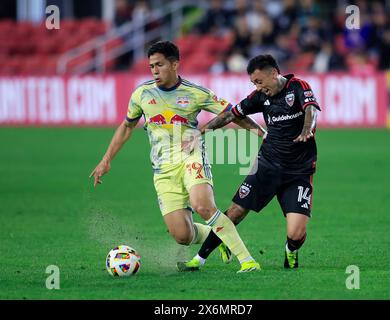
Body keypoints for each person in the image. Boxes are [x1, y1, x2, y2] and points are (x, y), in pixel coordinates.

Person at [89, 41, 265, 273]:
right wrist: (106, 159)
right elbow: (127, 126)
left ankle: (248, 262)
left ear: (174, 64)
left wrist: (262, 134)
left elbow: (232, 113)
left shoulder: (195, 93)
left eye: (159, 64)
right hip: (163, 170)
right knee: (182, 236)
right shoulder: (142, 94)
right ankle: (218, 237)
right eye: (151, 65)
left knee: (202, 205)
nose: (154, 70)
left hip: (191, 156)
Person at [178, 54, 320, 271]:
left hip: (298, 171)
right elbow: (231, 115)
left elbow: (311, 108)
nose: (258, 87)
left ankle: (291, 250)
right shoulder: (259, 97)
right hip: (267, 166)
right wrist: (201, 132)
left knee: (296, 233)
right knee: (235, 211)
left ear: (274, 73)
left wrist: (307, 129)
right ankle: (199, 259)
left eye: (260, 81)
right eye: (254, 83)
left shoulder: (298, 86)